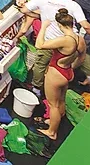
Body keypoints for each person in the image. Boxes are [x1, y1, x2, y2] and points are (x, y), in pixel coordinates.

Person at [21, 0, 90, 90]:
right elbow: (86, 26)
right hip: (70, 41)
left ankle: (37, 88)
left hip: (50, 41)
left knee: (40, 65)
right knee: (84, 56)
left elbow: (24, 10)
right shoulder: (72, 5)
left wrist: (40, 17)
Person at [34, 8, 85, 140]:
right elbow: (82, 57)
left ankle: (52, 131)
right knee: (60, 100)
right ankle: (55, 121)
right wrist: (71, 67)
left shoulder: (65, 40)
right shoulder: (79, 39)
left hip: (56, 73)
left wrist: (43, 27)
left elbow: (39, 45)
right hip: (67, 71)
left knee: (53, 105)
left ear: (60, 25)